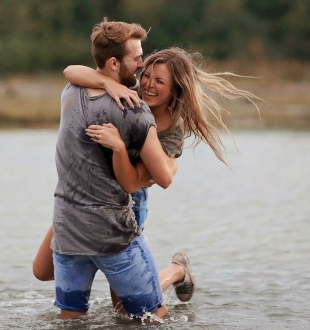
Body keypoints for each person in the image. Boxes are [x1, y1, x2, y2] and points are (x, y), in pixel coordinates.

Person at [35, 46, 262, 318]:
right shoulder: (130, 91)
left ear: (175, 88)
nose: (148, 85)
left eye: (159, 81)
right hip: (84, 195)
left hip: (126, 203)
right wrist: (108, 82)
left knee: (128, 311)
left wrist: (156, 161)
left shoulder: (171, 130)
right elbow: (72, 71)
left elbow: (140, 181)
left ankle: (177, 271)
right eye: (147, 76)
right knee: (42, 270)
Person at [47, 18, 178, 321]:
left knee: (71, 319)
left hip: (67, 233)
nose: (142, 64)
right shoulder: (134, 109)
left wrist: (106, 81)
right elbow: (163, 178)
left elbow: (73, 71)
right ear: (115, 63)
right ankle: (176, 272)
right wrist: (171, 160)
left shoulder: (69, 91)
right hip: (112, 235)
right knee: (153, 318)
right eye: (136, 58)